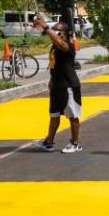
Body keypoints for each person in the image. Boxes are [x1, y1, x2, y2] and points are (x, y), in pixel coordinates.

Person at [34, 16, 82, 153]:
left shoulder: (68, 46)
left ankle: (75, 143)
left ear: (65, 34)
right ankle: (49, 142)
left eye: (58, 31)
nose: (55, 33)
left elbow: (61, 44)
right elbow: (54, 65)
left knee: (72, 115)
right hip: (57, 85)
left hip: (69, 86)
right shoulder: (54, 47)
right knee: (54, 115)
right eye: (55, 30)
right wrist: (51, 79)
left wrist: (46, 27)